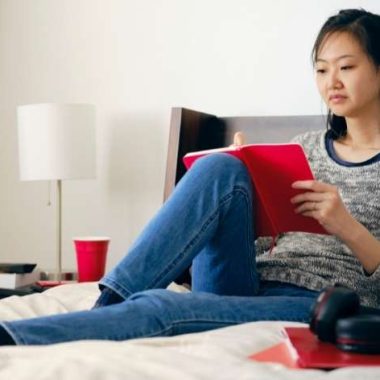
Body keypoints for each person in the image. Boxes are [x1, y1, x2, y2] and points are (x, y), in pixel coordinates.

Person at [1, 8, 380, 345]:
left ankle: (13, 337)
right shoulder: (303, 148)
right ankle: (109, 303)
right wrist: (250, 181)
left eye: (346, 67)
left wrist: (344, 223)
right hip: (248, 280)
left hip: (318, 303)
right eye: (321, 68)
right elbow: (264, 239)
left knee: (161, 306)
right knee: (220, 166)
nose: (332, 81)